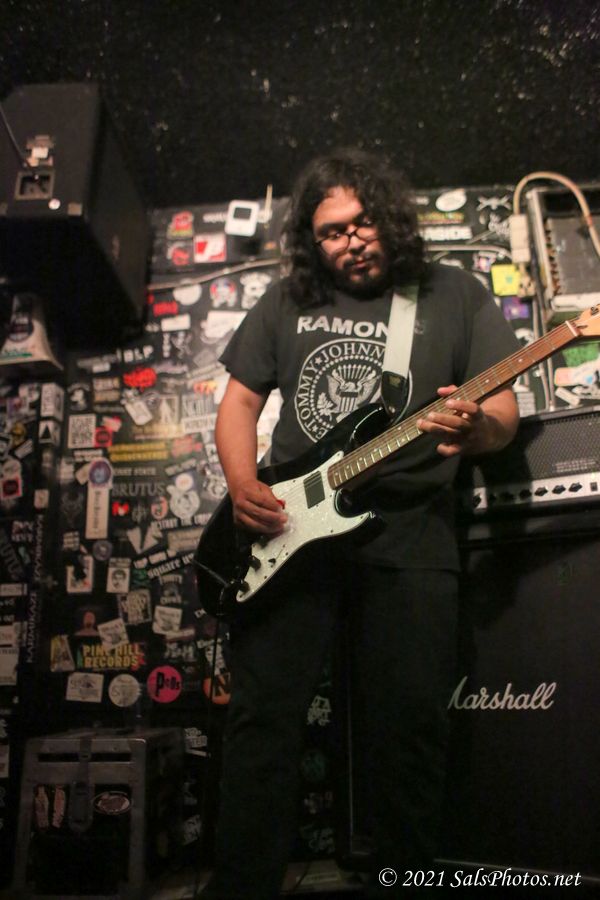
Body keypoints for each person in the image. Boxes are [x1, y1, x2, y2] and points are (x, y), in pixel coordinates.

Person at [202, 149, 520, 899]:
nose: (349, 241)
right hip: (289, 531)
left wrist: (477, 429)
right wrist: (243, 484)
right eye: (331, 232)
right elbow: (239, 403)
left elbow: (503, 411)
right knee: (261, 720)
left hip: (411, 534)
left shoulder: (455, 293)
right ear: (312, 241)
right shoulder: (288, 300)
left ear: (390, 217)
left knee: (410, 729)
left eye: (362, 222)